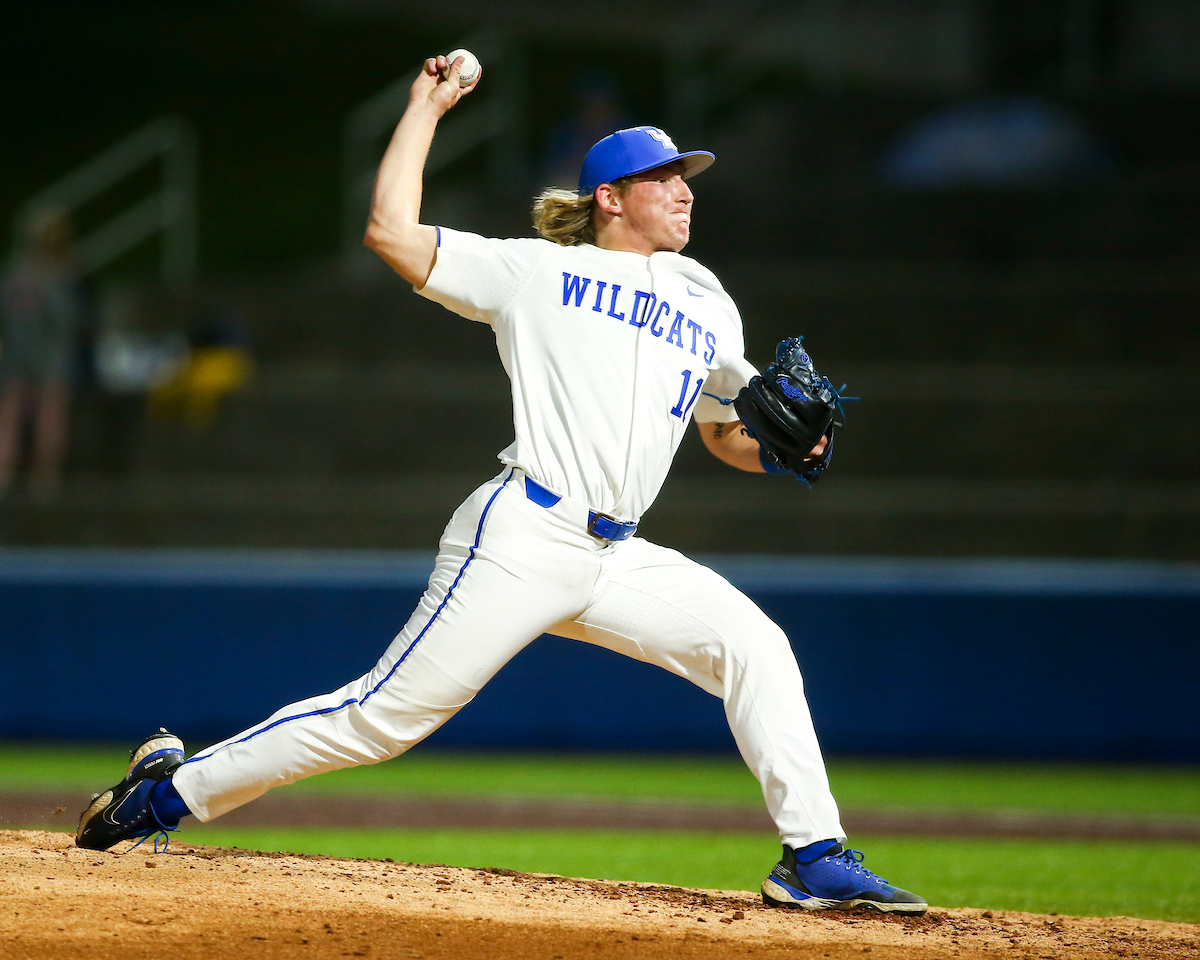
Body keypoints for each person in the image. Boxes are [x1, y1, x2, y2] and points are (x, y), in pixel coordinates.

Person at [76, 54, 926, 915]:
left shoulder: (707, 298)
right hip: (525, 533)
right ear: (610, 197)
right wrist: (425, 108)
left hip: (618, 556)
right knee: (382, 718)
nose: (684, 190)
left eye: (687, 177)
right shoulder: (535, 272)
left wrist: (785, 451)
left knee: (756, 648)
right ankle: (167, 793)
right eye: (664, 177)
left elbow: (724, 435)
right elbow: (390, 232)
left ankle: (812, 856)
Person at [0, 208, 85, 499]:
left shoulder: (58, 273)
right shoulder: (25, 273)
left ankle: (40, 476)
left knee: (43, 415)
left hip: (42, 354)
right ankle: (23, 474)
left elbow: (67, 320)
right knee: (18, 414)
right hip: (28, 354)